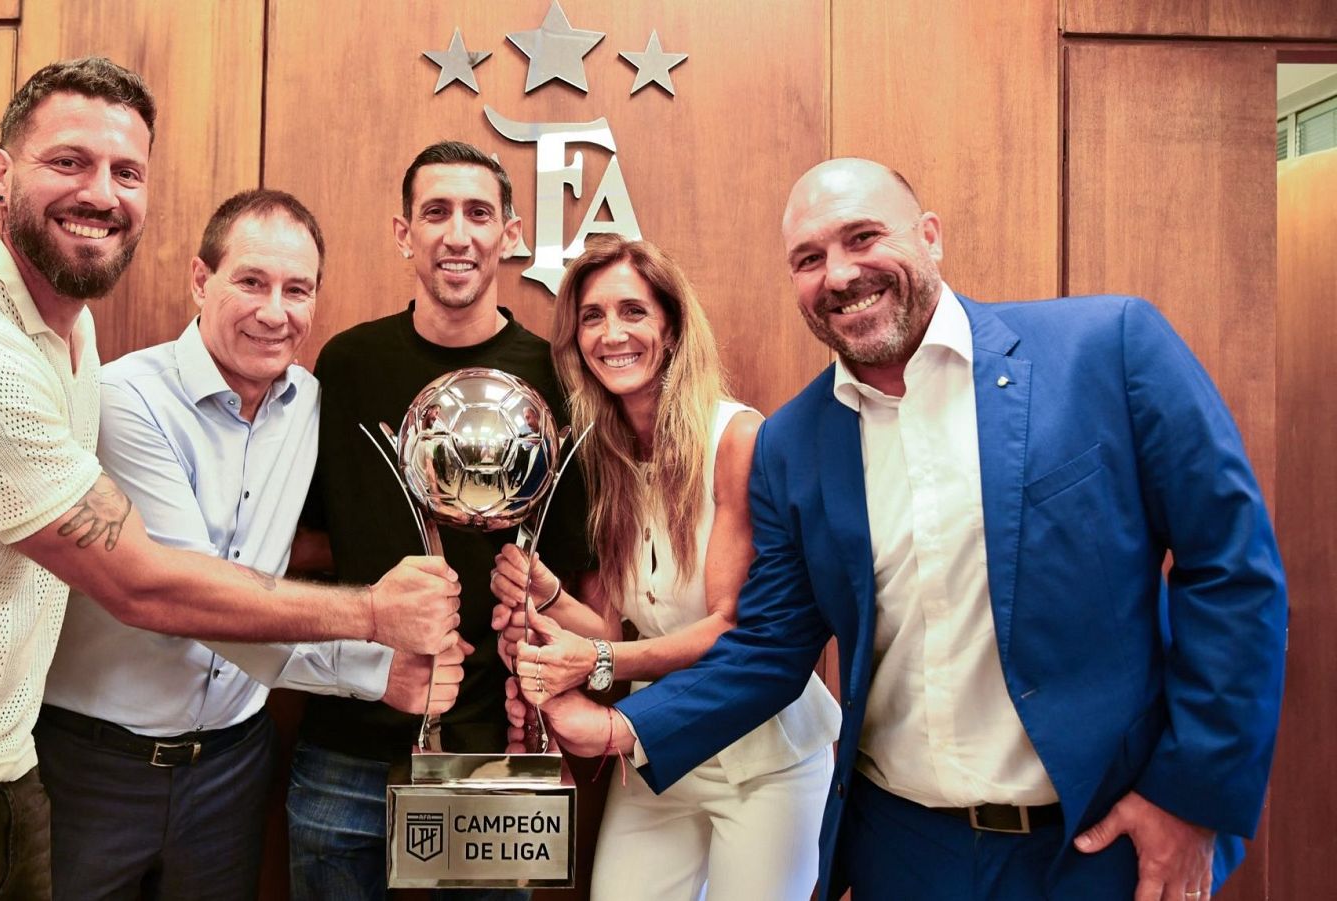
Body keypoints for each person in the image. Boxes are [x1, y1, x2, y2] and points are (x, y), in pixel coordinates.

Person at [0, 59, 459, 899]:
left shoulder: (68, 336)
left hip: (2, 773)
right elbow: (145, 583)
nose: (102, 193)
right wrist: (373, 621)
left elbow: (253, 541)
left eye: (127, 172)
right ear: (0, 175)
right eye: (68, 162)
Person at [514, 158, 1287, 901]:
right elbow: (771, 649)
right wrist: (617, 726)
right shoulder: (795, 442)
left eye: (862, 237)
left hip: (1093, 845)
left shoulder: (1106, 348)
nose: (841, 273)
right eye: (809, 257)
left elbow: (1232, 569)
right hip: (903, 851)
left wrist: (1191, 795)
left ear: (930, 234)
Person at [34, 189, 472, 900]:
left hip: (234, 765)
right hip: (96, 763)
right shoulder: (125, 401)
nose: (276, 312)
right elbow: (186, 597)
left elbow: (298, 545)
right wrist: (371, 663)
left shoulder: (314, 406)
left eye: (296, 289)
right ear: (201, 280)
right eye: (251, 281)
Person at [488, 235, 841, 899]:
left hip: (763, 758)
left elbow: (731, 628)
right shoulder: (600, 457)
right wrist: (551, 595)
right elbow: (619, 631)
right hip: (660, 754)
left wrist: (590, 663)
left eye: (632, 312)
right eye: (592, 316)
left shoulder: (736, 438)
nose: (611, 333)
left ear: (672, 328)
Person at [287, 141, 589, 901]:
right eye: (436, 213)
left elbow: (578, 566)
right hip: (345, 741)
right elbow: (310, 539)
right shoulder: (347, 365)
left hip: (491, 744)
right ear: (403, 234)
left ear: (511, 233)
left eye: (479, 213)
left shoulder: (556, 374)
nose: (458, 234)